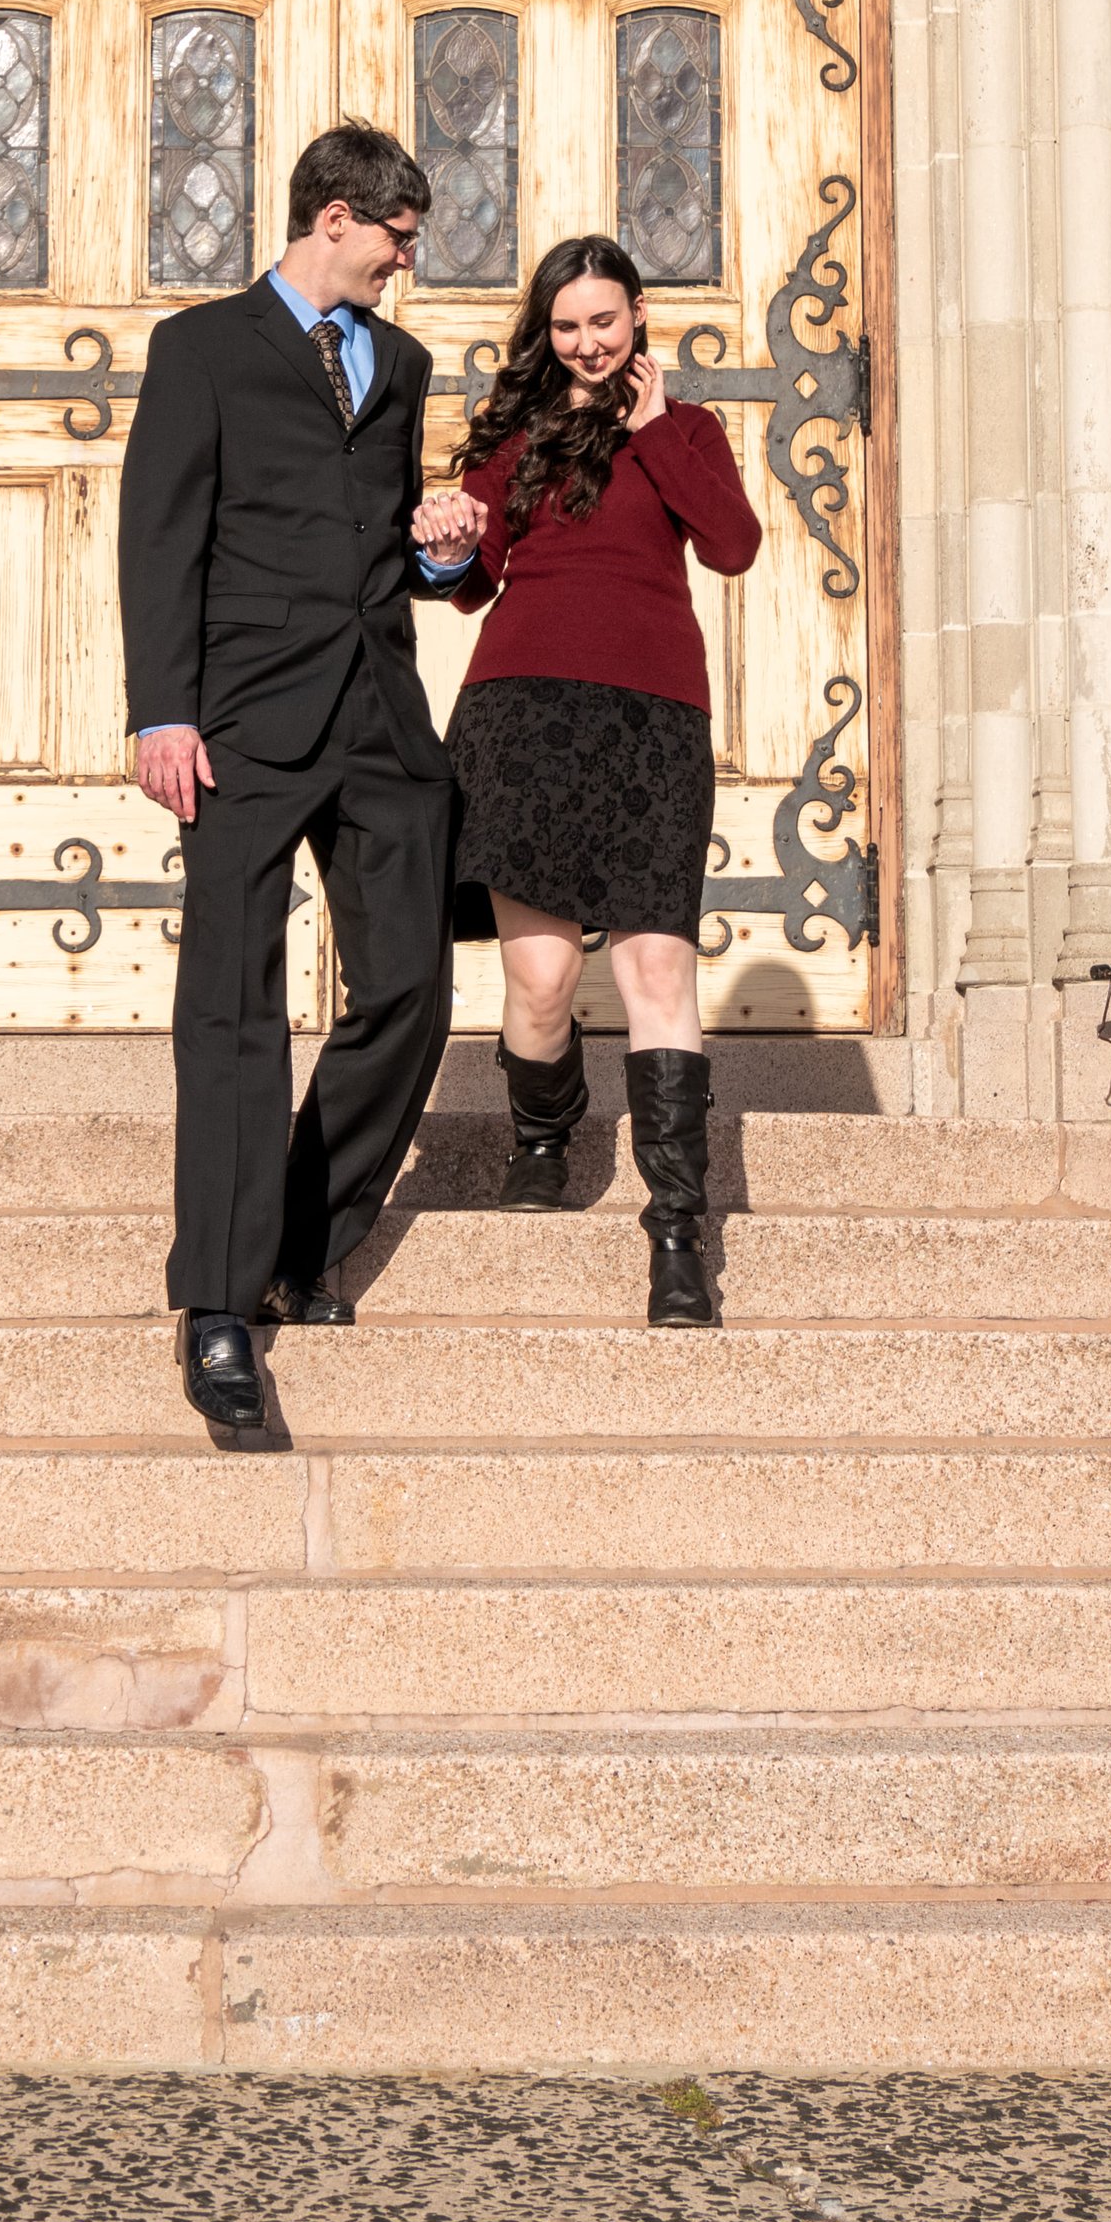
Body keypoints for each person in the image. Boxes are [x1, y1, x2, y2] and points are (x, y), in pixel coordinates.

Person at [120, 121, 483, 1432]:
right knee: (232, 1003)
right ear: (335, 216)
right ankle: (218, 1304)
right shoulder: (202, 349)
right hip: (243, 724)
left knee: (411, 988)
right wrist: (162, 711)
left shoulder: (402, 362)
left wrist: (443, 551)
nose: (405, 261)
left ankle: (297, 1235)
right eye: (397, 236)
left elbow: (390, 536)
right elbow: (161, 535)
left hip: (383, 720)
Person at [415, 234, 762, 1325]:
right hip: (522, 716)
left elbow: (734, 545)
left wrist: (656, 432)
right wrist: (444, 535)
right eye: (565, 326)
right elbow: (467, 582)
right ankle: (541, 1136)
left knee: (659, 970)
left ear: (638, 314)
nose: (585, 343)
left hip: (654, 721)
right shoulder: (515, 434)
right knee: (544, 982)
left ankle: (676, 1239)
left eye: (602, 321)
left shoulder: (685, 430)